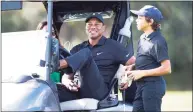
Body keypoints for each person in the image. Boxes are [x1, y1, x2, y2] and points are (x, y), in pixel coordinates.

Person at [57, 13, 136, 102]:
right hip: (77, 90)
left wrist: (127, 77)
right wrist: (67, 82)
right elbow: (67, 74)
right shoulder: (77, 48)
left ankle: (55, 64)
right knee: (51, 89)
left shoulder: (113, 46)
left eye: (97, 24)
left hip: (99, 92)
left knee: (86, 54)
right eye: (89, 24)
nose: (93, 27)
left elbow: (134, 63)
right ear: (86, 28)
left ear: (103, 28)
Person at [121, 5, 172, 112]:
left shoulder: (159, 41)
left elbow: (167, 68)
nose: (136, 21)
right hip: (141, 86)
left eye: (140, 18)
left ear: (150, 21)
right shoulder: (142, 38)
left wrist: (142, 73)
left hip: (153, 87)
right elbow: (147, 61)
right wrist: (133, 66)